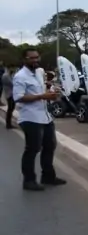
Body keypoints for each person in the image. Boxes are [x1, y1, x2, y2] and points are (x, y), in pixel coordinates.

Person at [13, 48, 66, 191]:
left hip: (45, 116)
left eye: (37, 57)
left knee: (50, 146)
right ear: (24, 59)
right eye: (31, 58)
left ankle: (48, 176)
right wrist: (43, 96)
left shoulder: (39, 72)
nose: (35, 60)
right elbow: (18, 97)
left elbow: (42, 88)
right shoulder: (20, 76)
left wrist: (51, 91)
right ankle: (29, 181)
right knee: (33, 149)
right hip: (30, 118)